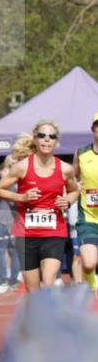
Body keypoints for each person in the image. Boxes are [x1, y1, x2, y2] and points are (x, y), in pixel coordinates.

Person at [0, 121, 79, 292]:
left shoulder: (65, 169)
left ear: (56, 141)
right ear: (35, 139)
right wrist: (22, 197)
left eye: (51, 136)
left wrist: (68, 200)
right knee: (33, 291)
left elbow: (75, 191)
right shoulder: (22, 167)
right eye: (42, 135)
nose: (46, 139)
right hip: (26, 233)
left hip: (53, 232)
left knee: (48, 283)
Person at [73, 112, 98, 293]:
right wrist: (75, 184)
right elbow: (72, 178)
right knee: (89, 264)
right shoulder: (81, 154)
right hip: (88, 219)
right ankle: (92, 286)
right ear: (93, 129)